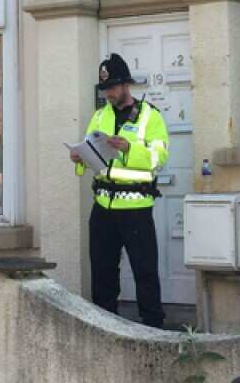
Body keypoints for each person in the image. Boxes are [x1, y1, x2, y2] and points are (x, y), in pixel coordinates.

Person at [70, 53, 170, 328]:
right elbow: (91, 153)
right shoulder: (99, 115)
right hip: (103, 207)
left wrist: (128, 149)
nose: (108, 93)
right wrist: (80, 160)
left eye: (112, 87)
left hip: (136, 208)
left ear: (126, 85)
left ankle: (153, 330)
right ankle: (106, 328)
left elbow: (157, 157)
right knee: (102, 273)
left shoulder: (151, 116)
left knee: (145, 272)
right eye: (104, 89)